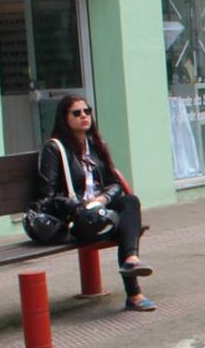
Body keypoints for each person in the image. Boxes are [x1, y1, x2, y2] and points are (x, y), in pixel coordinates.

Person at [36, 94, 156, 312]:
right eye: (77, 113)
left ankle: (131, 259)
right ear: (65, 119)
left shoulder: (95, 145)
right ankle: (134, 294)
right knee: (123, 225)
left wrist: (101, 200)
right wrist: (83, 206)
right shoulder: (54, 150)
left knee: (130, 202)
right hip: (76, 219)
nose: (84, 116)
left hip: (99, 212)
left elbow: (114, 183)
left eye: (87, 111)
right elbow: (49, 196)